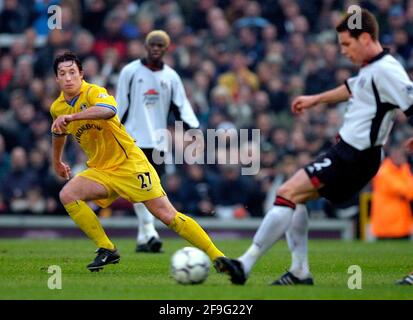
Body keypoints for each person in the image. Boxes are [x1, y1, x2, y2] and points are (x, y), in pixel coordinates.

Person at [214, 9, 413, 286]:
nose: (343, 51)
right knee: (295, 200)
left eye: (347, 44)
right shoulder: (372, 67)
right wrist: (316, 99)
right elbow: (354, 87)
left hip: (355, 156)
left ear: (365, 38)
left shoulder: (388, 70)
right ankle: (298, 272)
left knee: (286, 192)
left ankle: (245, 265)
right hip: (349, 153)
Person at [50, 51, 224, 272]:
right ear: (56, 78)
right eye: (62, 73)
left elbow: (108, 111)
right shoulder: (57, 107)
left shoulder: (94, 92)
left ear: (81, 74)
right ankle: (107, 249)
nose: (68, 78)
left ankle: (218, 257)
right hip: (101, 170)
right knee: (68, 194)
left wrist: (74, 117)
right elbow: (58, 132)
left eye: (72, 72)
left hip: (129, 164)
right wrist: (57, 160)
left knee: (167, 215)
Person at [116, 30, 200, 253]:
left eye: (160, 45)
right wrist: (113, 130)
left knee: (152, 189)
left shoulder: (171, 77)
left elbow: (181, 106)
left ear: (166, 49)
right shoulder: (130, 72)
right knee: (140, 186)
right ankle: (151, 231)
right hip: (133, 138)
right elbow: (120, 104)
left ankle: (144, 238)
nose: (155, 48)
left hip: (159, 142)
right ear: (146, 46)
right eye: (152, 44)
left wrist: (193, 128)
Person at [370, 146, 413, 240]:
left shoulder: (401, 170)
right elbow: (407, 191)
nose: (402, 157)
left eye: (402, 155)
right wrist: (406, 168)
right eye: (399, 154)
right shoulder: (385, 172)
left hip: (400, 225)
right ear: (392, 155)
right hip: (387, 225)